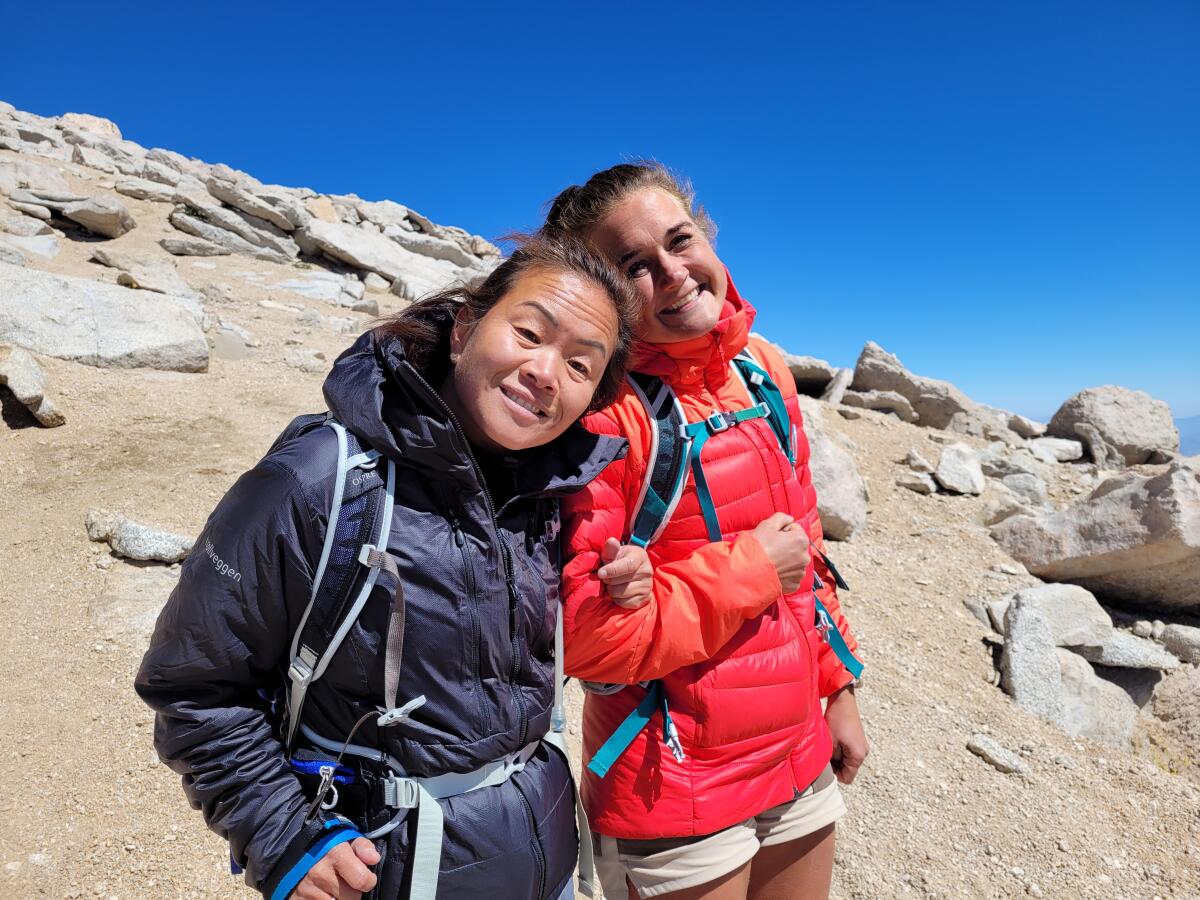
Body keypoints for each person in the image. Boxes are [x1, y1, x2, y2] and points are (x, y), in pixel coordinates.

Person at [135, 236, 652, 900]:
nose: (547, 372)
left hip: (544, 854)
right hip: (389, 873)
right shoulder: (321, 480)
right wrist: (283, 835)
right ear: (465, 327)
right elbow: (196, 687)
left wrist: (616, 586)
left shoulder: (549, 500)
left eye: (581, 366)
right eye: (530, 333)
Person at [541, 164, 869, 900]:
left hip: (798, 756)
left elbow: (808, 551)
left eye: (680, 241)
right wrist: (755, 566)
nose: (673, 273)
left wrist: (839, 688)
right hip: (673, 786)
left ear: (708, 237)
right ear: (608, 296)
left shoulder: (762, 371)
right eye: (634, 268)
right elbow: (592, 643)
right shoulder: (604, 415)